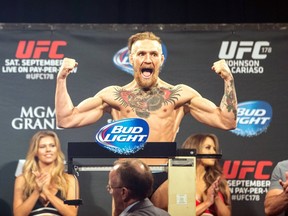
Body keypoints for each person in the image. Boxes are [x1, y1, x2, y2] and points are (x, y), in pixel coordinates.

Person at [55, 31, 237, 209]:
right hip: (127, 176)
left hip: (164, 174)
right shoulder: (114, 96)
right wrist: (61, 78)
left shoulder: (179, 95)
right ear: (131, 59)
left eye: (154, 54)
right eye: (141, 53)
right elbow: (66, 119)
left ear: (161, 60)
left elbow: (226, 121)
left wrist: (228, 80)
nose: (148, 59)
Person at [13, 130, 79, 216]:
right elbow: (18, 214)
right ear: (35, 151)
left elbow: (72, 214)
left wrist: (46, 192)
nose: (48, 150)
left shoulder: (69, 180)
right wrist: (37, 191)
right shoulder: (22, 179)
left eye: (52, 146)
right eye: (42, 147)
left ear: (57, 149)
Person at [162, 133, 230, 216]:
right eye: (208, 147)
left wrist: (216, 198)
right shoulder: (179, 181)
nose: (213, 152)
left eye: (214, 149)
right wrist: (207, 203)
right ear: (194, 149)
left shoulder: (219, 182)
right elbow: (179, 214)